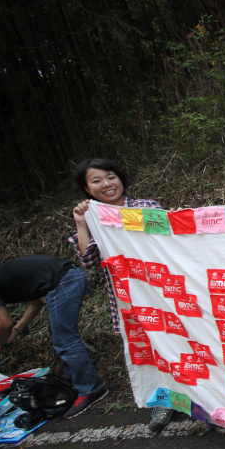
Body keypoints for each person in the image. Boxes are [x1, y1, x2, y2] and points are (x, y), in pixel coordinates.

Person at [68, 158, 173, 433]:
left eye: (110, 176)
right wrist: (82, 222)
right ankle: (165, 402)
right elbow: (89, 261)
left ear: (121, 179)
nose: (106, 184)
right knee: (151, 347)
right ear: (87, 189)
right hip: (129, 297)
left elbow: (170, 239)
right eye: (96, 180)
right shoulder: (92, 216)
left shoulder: (145, 207)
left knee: (179, 340)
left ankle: (201, 397)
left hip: (163, 290)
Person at [0, 255, 108, 418]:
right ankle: (73, 383)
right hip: (69, 276)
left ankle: (91, 389)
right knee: (59, 335)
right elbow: (36, 304)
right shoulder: (8, 279)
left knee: (65, 339)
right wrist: (17, 330)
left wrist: (0, 345)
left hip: (64, 281)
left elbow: (4, 322)